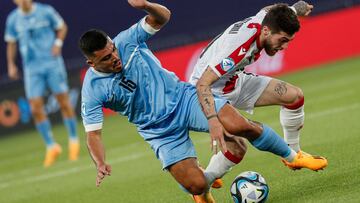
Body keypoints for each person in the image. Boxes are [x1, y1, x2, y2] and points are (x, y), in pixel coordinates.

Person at [79, 0, 327, 202]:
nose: (115, 57)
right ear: (92, 63)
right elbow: (94, 134)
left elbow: (162, 17)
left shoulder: (127, 41)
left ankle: (293, 156)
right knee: (196, 184)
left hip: (183, 99)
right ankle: (203, 191)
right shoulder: (92, 89)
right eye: (107, 58)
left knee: (240, 126)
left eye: (113, 49)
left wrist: (146, 5)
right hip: (158, 131)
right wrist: (100, 162)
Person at [189, 0, 328, 190]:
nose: (284, 47)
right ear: (266, 32)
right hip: (211, 93)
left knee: (294, 96)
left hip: (233, 81)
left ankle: (294, 155)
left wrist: (295, 10)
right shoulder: (238, 48)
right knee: (238, 148)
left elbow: (267, 10)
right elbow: (202, 84)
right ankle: (204, 183)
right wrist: (213, 120)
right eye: (283, 40)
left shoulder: (265, 22)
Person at [4, 0, 80, 167]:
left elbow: (62, 27)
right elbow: (11, 42)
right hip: (32, 68)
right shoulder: (13, 19)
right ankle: (51, 146)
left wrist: (58, 44)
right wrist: (11, 64)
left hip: (52, 63)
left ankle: (74, 141)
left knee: (64, 102)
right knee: (35, 107)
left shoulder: (45, 11)